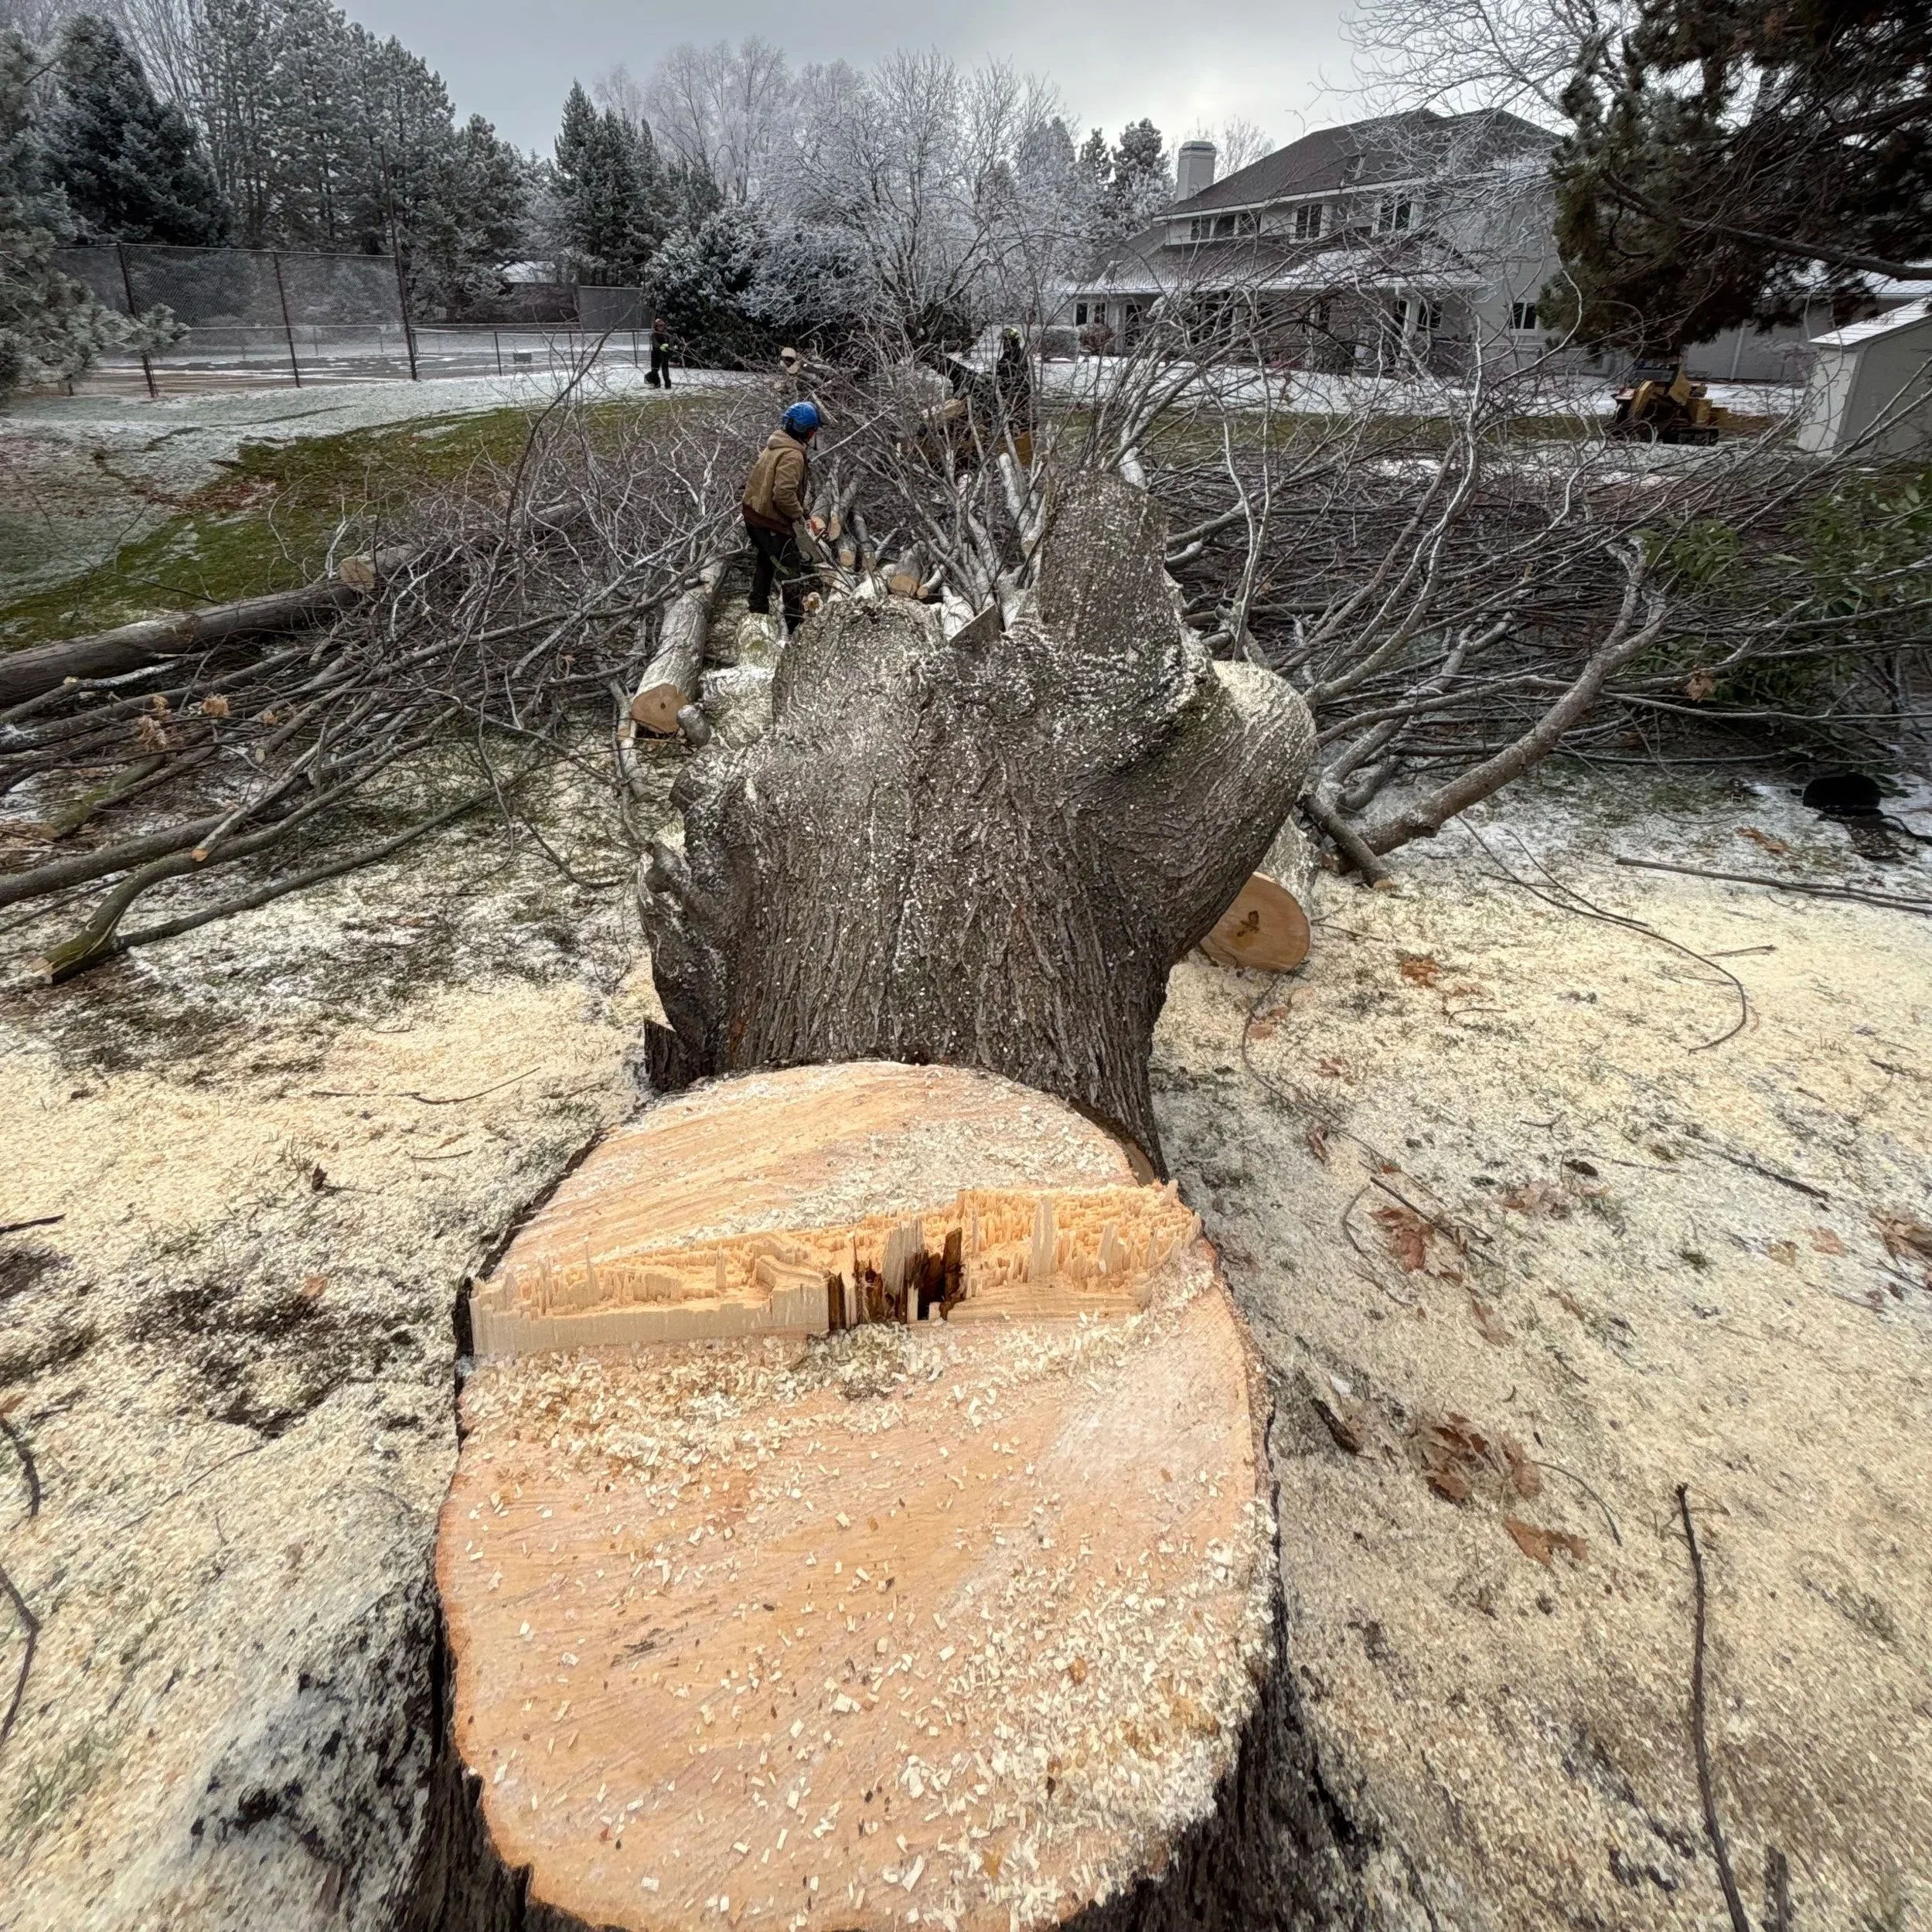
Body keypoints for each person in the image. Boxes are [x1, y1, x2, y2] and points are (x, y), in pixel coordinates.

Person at [741, 401, 824, 634]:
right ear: (808, 431)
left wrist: (805, 512)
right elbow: (783, 494)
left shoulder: (775, 444)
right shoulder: (793, 456)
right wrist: (799, 517)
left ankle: (757, 610)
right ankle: (794, 622)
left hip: (754, 515)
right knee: (790, 569)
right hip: (770, 522)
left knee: (766, 559)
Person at [648, 314, 673, 388]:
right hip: (656, 354)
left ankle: (668, 384)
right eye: (659, 326)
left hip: (664, 354)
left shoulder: (667, 335)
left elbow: (671, 342)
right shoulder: (653, 335)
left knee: (665, 369)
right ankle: (656, 383)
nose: (660, 327)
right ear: (656, 326)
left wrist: (668, 346)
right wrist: (660, 346)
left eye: (662, 325)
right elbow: (655, 343)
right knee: (654, 370)